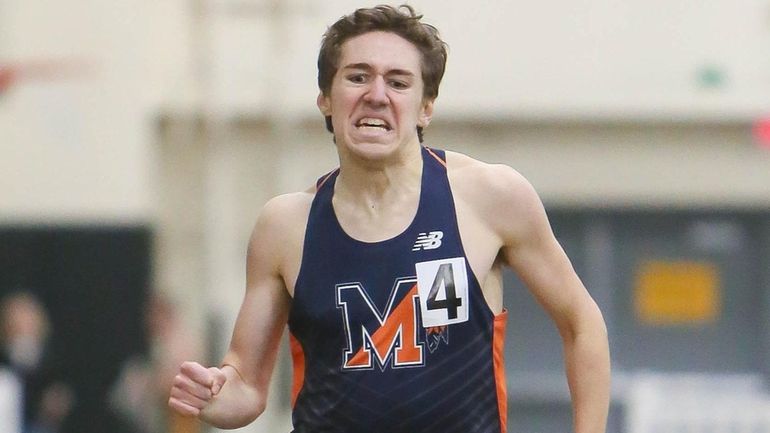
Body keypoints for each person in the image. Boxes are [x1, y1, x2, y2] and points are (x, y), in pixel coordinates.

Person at [168, 5, 610, 433]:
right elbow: (245, 384)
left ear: (425, 108)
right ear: (325, 98)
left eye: (398, 82)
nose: (376, 95)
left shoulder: (488, 198)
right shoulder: (286, 225)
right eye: (357, 77)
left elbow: (581, 322)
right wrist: (215, 395)